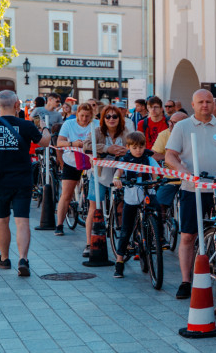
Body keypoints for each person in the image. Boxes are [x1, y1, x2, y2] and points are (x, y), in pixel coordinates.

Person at [165, 89, 216, 299]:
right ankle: (185, 281)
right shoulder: (182, 126)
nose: (205, 105)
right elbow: (170, 155)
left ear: (215, 105)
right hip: (193, 189)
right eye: (200, 102)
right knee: (188, 235)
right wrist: (184, 172)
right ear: (193, 104)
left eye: (209, 102)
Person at [0, 90, 51, 276]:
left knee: (2, 220)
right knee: (22, 221)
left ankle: (4, 259)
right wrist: (45, 127)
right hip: (22, 179)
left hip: (0, 179)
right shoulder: (26, 125)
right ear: (17, 106)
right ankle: (23, 259)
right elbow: (44, 142)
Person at [110, 131, 160, 278]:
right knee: (126, 229)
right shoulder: (126, 160)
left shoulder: (148, 159)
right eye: (135, 147)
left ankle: (157, 236)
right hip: (131, 196)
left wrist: (155, 181)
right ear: (128, 147)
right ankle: (119, 262)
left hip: (147, 192)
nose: (138, 150)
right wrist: (117, 179)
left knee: (157, 210)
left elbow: (155, 172)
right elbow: (118, 173)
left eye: (141, 147)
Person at [81, 105, 129, 256]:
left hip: (120, 175)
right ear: (103, 119)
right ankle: (89, 243)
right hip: (99, 175)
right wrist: (108, 149)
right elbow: (86, 145)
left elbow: (136, 143)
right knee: (94, 208)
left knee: (121, 209)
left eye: (115, 116)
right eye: (108, 116)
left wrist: (126, 150)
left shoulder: (126, 132)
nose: (112, 119)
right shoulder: (97, 132)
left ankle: (123, 242)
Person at [54, 102, 95, 236]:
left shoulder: (96, 124)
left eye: (87, 116)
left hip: (90, 162)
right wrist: (73, 143)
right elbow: (59, 142)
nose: (84, 119)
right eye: (82, 116)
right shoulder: (69, 124)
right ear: (77, 114)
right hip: (72, 161)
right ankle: (59, 224)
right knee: (66, 193)